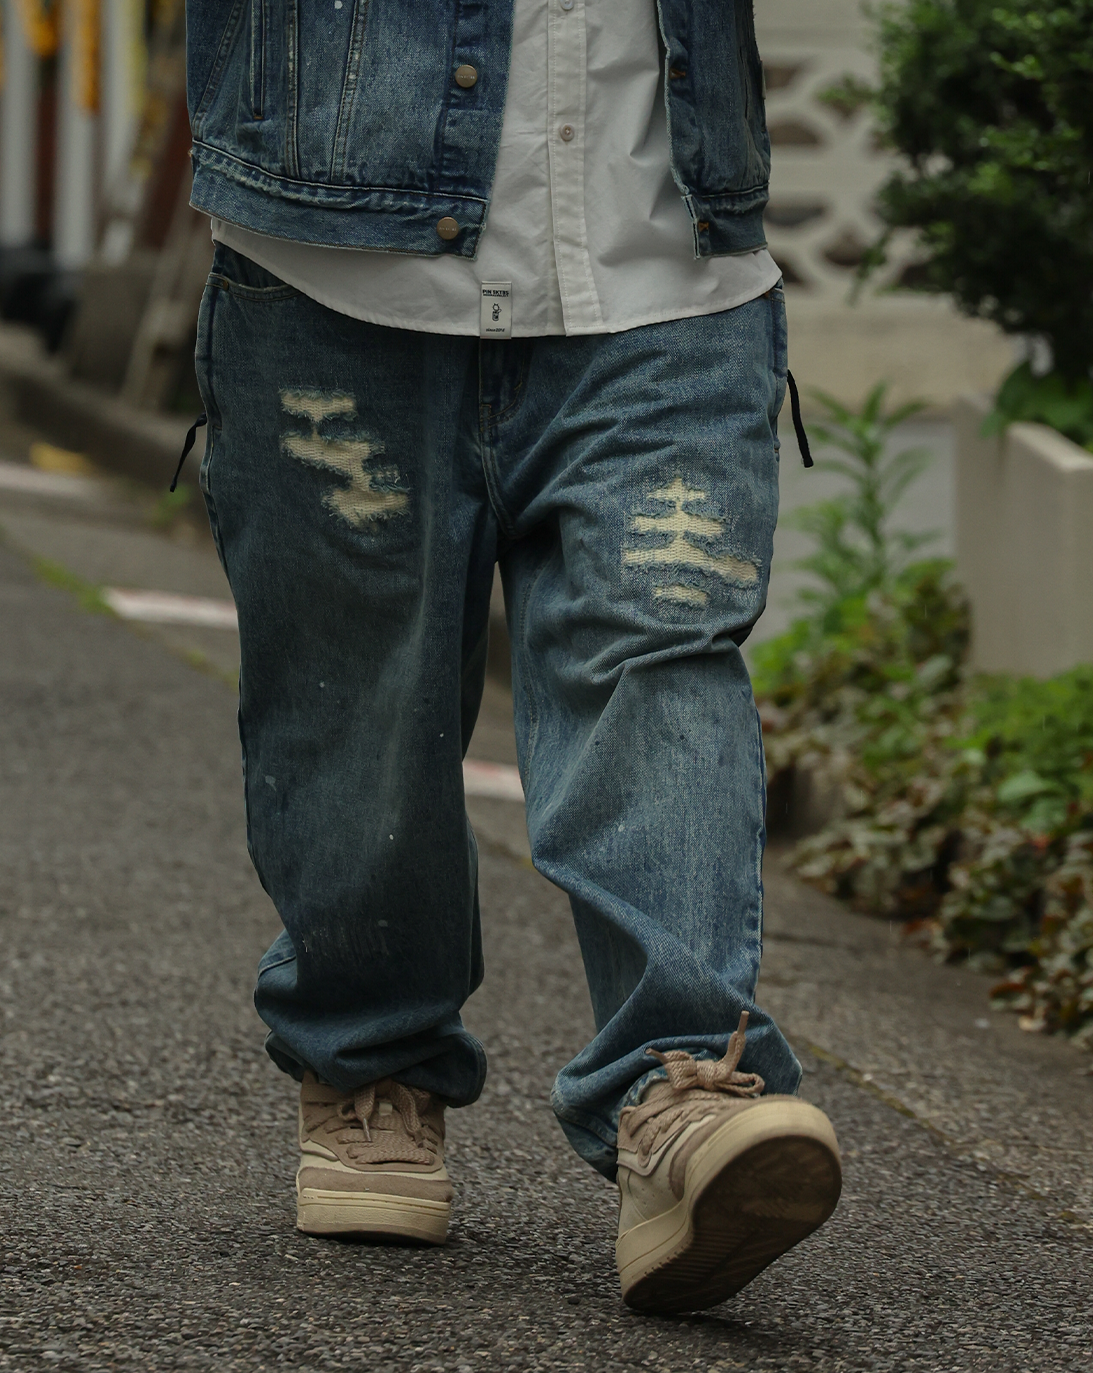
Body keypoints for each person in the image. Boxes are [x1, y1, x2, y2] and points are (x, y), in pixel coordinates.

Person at [184, 0, 841, 1314]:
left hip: (666, 273)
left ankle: (681, 1093)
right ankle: (369, 1060)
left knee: (658, 655)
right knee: (356, 699)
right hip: (336, 273)